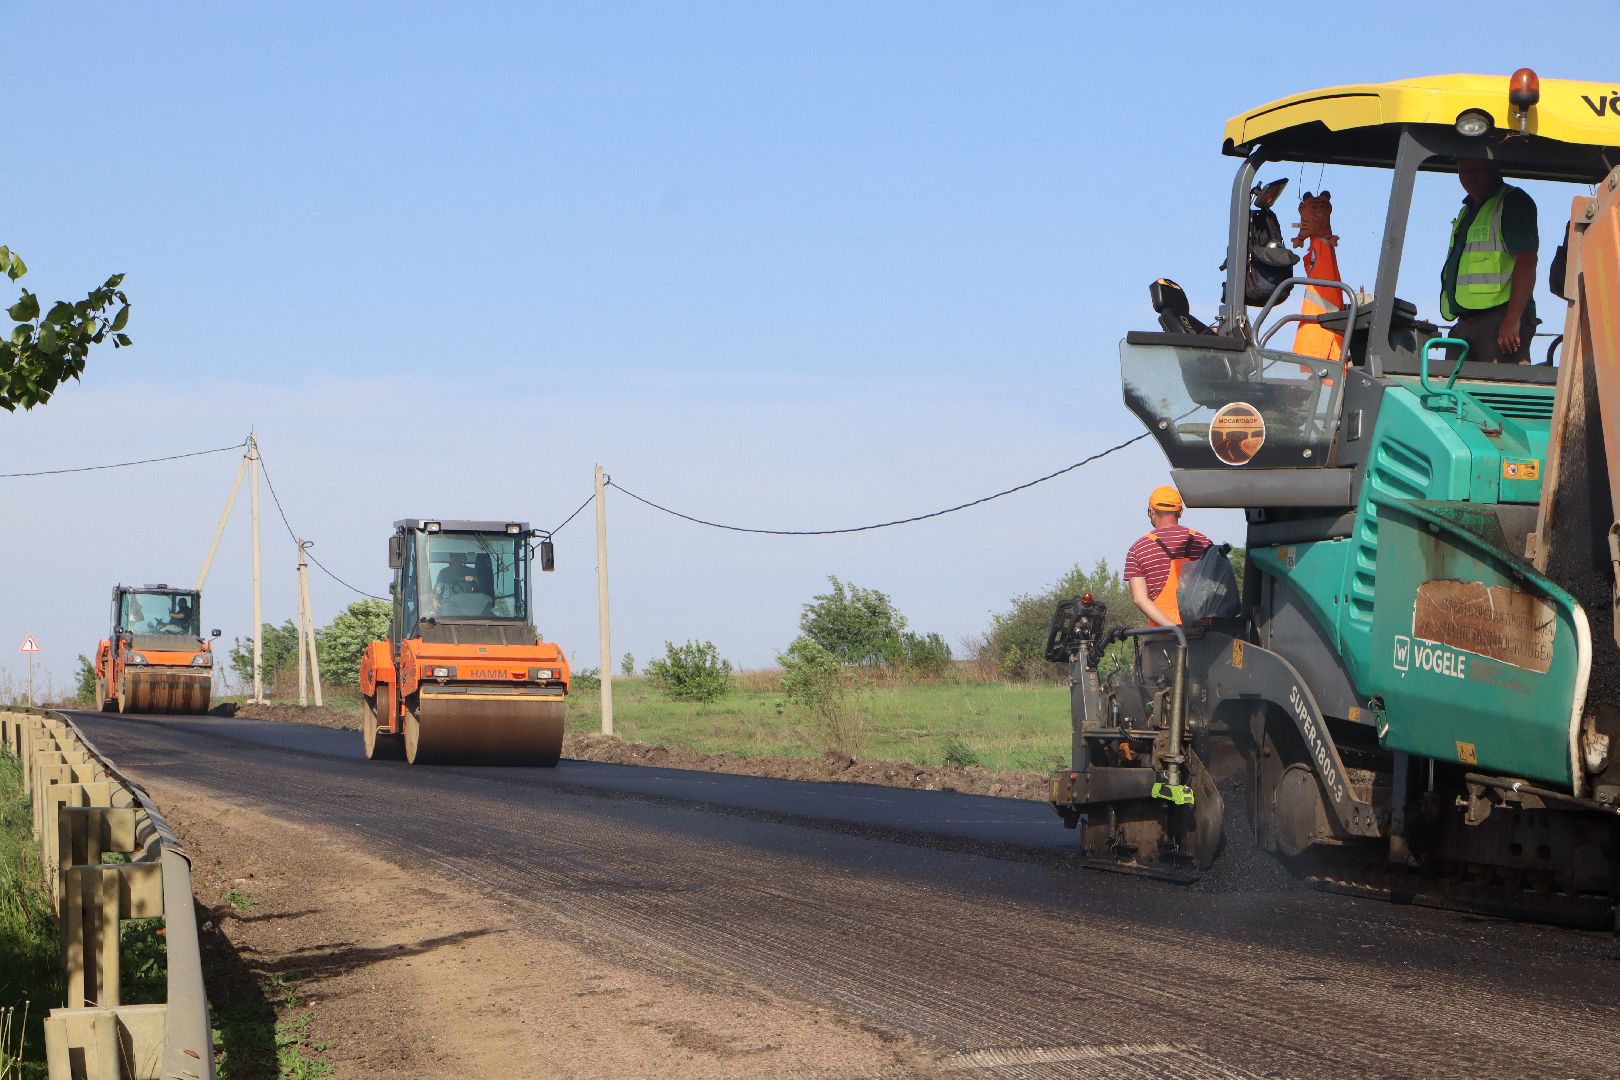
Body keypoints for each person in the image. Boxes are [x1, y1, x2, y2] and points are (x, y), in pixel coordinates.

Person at [1441, 156, 1538, 364]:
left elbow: (1527, 262)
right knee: (1446, 387)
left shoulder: (1512, 202)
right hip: (1465, 322)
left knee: (1500, 389)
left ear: (1494, 168)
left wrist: (1512, 320)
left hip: (1499, 320)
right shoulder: (1467, 210)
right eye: (1464, 169)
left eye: (1477, 169)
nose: (1470, 175)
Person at [1125, 486, 1213, 627]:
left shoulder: (1138, 549)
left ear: (1151, 511)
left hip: (1161, 637)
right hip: (1202, 633)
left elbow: (1139, 599)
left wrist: (1174, 629)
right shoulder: (1203, 542)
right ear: (1180, 512)